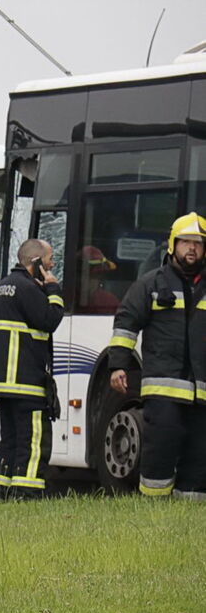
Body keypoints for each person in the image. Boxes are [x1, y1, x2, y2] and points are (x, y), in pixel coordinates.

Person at [109, 212, 206, 499]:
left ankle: (190, 507)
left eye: (199, 244)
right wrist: (118, 365)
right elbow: (126, 324)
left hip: (202, 390)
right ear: (173, 245)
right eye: (186, 242)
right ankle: (154, 504)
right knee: (161, 447)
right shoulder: (151, 284)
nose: (192, 249)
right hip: (163, 386)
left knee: (200, 453)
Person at [0, 239, 64, 500]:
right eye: (49, 259)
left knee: (9, 442)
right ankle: (27, 495)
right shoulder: (27, 287)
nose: (52, 264)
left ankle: (0, 492)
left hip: (5, 383)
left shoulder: (3, 286)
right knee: (32, 443)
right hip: (26, 381)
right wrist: (53, 288)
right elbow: (50, 319)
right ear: (35, 262)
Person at [77, 245, 120, 313]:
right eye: (83, 274)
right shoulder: (66, 299)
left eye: (96, 276)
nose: (91, 281)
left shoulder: (108, 301)